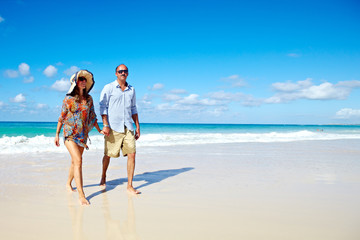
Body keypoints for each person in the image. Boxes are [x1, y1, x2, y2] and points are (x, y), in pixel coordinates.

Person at [55, 70, 104, 205]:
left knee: (74, 162)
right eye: (80, 79)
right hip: (69, 134)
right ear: (75, 83)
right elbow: (62, 117)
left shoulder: (89, 99)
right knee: (78, 160)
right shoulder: (68, 99)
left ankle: (68, 184)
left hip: (82, 135)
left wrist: (99, 130)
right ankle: (82, 195)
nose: (83, 81)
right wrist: (57, 135)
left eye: (84, 79)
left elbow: (92, 116)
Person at [99, 64, 141, 194]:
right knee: (108, 154)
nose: (123, 73)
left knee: (132, 154)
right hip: (113, 127)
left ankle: (129, 185)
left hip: (128, 126)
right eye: (120, 71)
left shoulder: (131, 89)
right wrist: (105, 124)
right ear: (116, 73)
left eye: (125, 71)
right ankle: (103, 176)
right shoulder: (109, 87)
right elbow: (103, 106)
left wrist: (137, 126)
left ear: (128, 73)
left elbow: (133, 108)